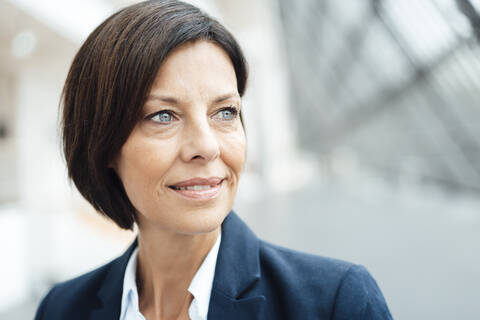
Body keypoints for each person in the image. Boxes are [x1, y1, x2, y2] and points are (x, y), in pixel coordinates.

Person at [34, 1, 393, 319]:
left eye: (224, 112)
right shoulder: (61, 309)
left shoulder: (336, 304)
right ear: (105, 144)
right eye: (163, 116)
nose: (207, 147)